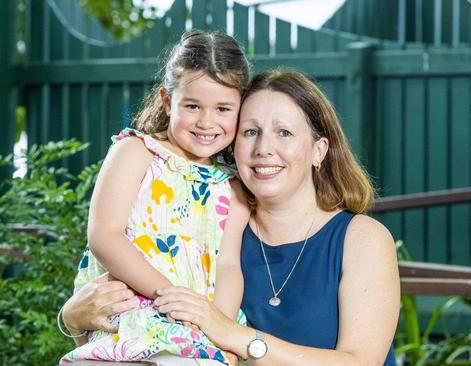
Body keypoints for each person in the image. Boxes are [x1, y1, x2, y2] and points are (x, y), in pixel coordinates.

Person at [62, 69, 400, 365]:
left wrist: (232, 334)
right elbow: (140, 340)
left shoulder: (361, 238)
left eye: (284, 132)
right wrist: (74, 321)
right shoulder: (207, 233)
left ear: (319, 151)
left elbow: (361, 362)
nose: (263, 148)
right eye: (250, 132)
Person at [58, 31, 251, 365]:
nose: (206, 121)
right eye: (192, 106)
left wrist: (221, 328)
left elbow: (229, 264)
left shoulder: (232, 187)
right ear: (166, 100)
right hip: (132, 309)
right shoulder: (136, 152)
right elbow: (104, 235)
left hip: (196, 324)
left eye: (223, 108)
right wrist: (169, 296)